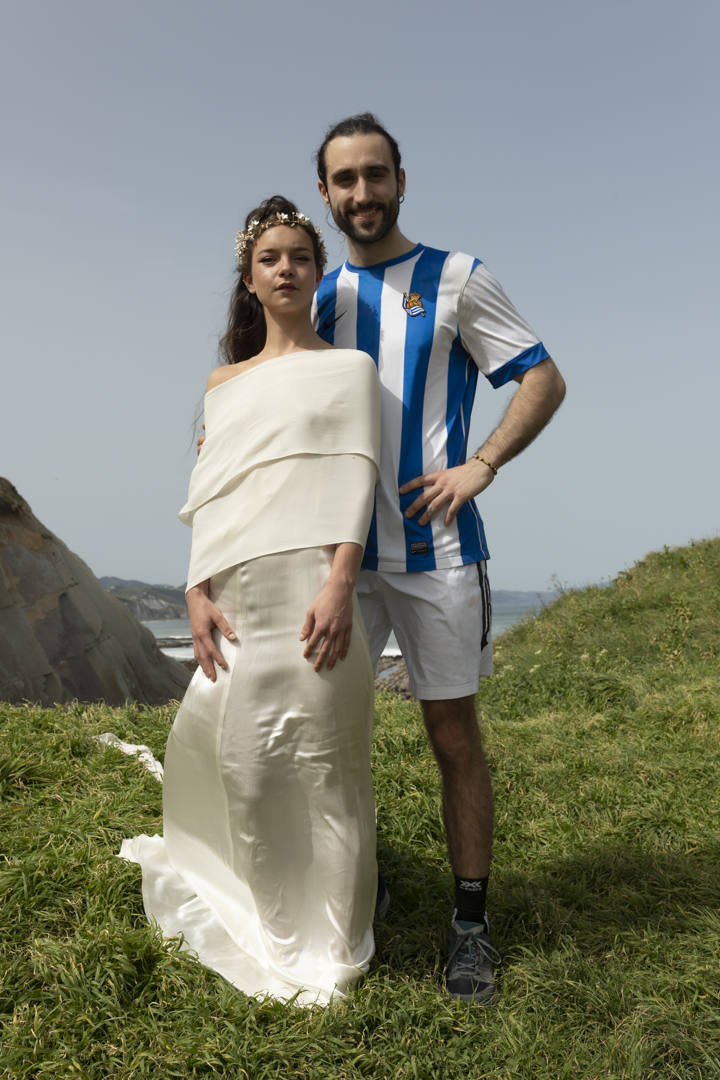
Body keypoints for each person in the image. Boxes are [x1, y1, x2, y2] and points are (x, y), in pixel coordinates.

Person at [312, 113, 567, 1004]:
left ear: (401, 180)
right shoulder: (318, 294)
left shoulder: (457, 278)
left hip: (439, 552)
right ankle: (357, 884)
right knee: (331, 737)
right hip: (339, 559)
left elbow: (542, 376)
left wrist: (483, 463)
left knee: (452, 736)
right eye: (345, 180)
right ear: (325, 194)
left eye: (375, 175)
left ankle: (468, 926)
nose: (361, 194)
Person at [120, 195, 381, 1006]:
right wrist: (195, 593)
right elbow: (212, 494)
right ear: (250, 277)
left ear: (317, 271)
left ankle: (334, 951)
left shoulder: (350, 369)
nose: (286, 270)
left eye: (300, 257)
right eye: (271, 258)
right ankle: (275, 937)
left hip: (316, 589)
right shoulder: (223, 383)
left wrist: (341, 581)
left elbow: (356, 474)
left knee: (329, 772)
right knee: (252, 772)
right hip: (237, 595)